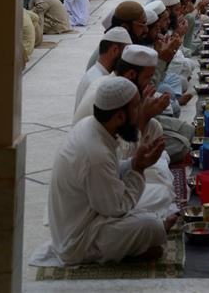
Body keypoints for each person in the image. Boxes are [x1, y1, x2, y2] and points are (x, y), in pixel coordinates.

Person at [40, 76, 172, 266]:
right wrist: (139, 169)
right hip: (79, 239)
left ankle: (138, 239)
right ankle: (138, 243)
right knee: (151, 226)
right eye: (136, 108)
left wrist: (135, 162)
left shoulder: (93, 126)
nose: (139, 112)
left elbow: (114, 171)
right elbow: (116, 209)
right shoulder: (95, 154)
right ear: (119, 116)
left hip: (95, 209)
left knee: (161, 194)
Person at [74, 27, 132, 109]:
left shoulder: (95, 72)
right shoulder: (100, 82)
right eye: (126, 53)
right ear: (115, 50)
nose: (127, 60)